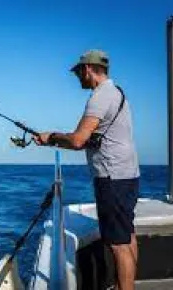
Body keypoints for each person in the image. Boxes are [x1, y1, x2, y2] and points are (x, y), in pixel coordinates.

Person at [34, 49, 140, 290]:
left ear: (89, 69)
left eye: (78, 72)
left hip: (112, 178)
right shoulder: (117, 93)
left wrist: (51, 137)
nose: (78, 77)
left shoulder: (100, 97)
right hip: (128, 175)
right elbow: (100, 136)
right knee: (127, 235)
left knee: (117, 244)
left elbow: (78, 140)